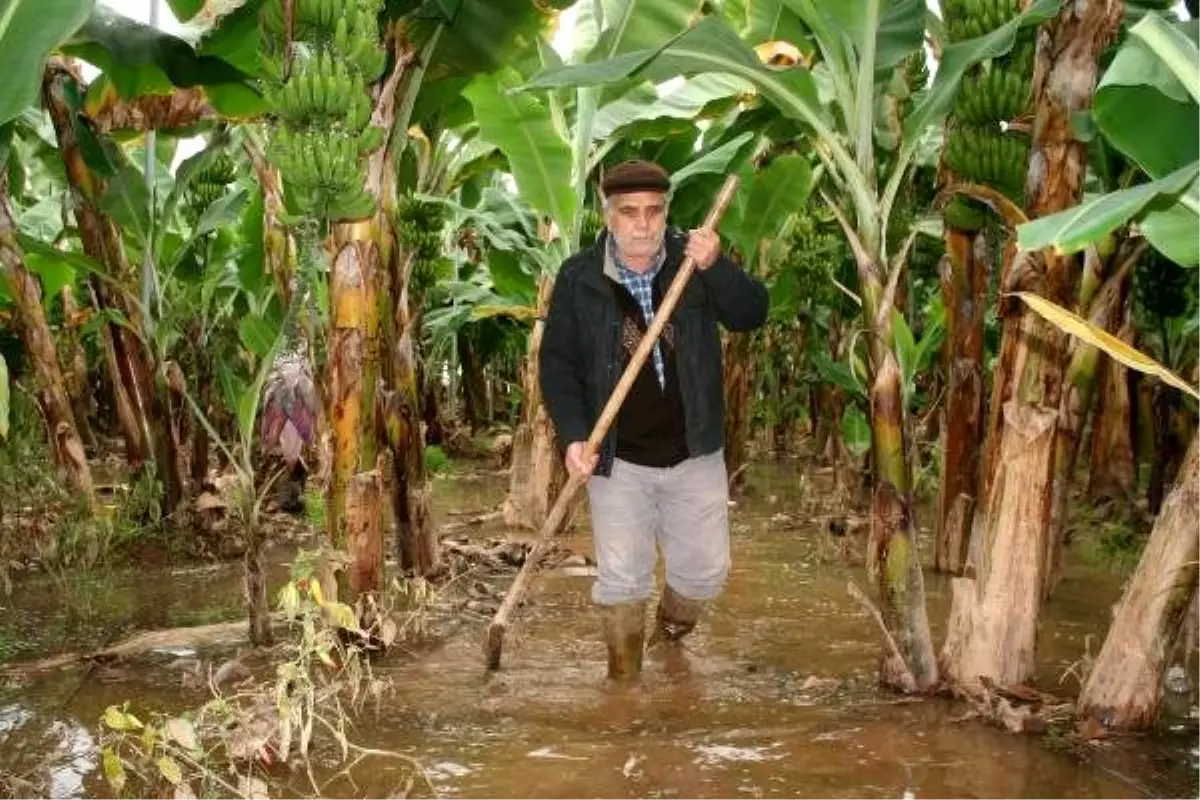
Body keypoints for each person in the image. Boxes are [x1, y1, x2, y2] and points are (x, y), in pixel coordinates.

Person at [538, 159, 769, 680]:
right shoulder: (579, 277)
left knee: (705, 573)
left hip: (694, 450)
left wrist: (718, 267)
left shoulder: (694, 263)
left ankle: (669, 639)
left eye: (653, 211)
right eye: (629, 213)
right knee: (621, 580)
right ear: (610, 217)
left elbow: (752, 313)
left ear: (667, 213)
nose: (642, 223)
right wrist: (574, 436)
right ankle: (623, 694)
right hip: (618, 457)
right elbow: (558, 367)